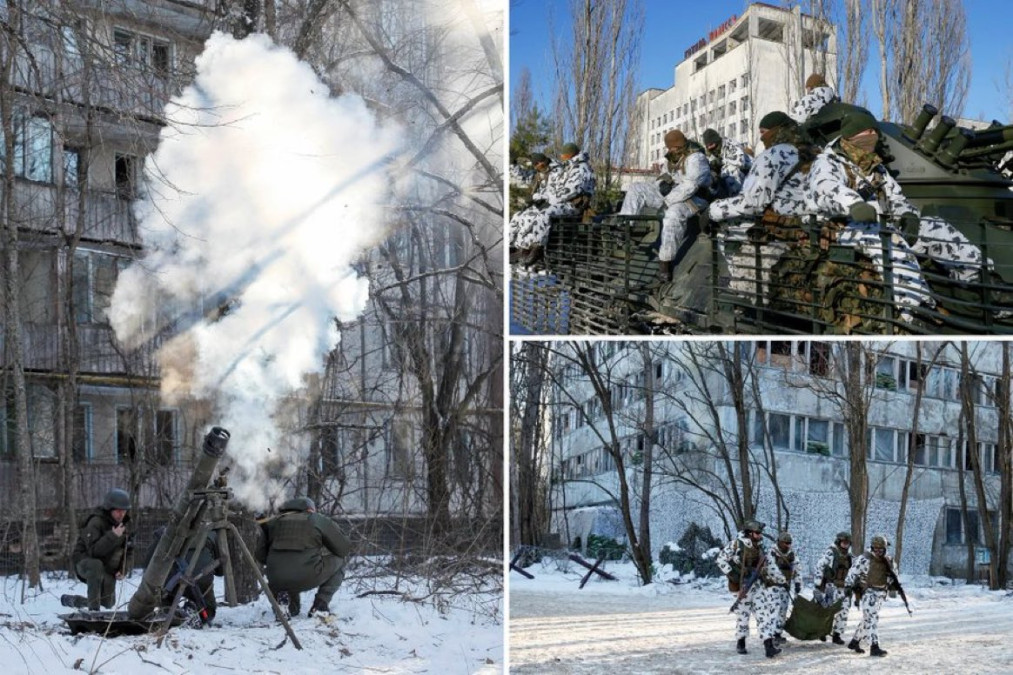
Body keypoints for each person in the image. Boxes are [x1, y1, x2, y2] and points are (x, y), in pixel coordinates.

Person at [807, 111, 937, 323]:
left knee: (935, 227)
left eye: (874, 131)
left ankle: (977, 284)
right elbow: (825, 189)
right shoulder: (828, 162)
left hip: (880, 223)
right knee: (887, 239)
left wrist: (909, 215)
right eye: (867, 131)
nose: (873, 135)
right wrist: (854, 204)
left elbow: (897, 198)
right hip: (844, 227)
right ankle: (915, 310)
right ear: (852, 135)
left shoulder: (877, 168)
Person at [707, 112, 816, 297]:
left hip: (784, 224)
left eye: (763, 132)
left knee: (726, 225)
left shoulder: (773, 154)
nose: (761, 137)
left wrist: (712, 210)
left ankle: (741, 285)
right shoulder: (811, 151)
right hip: (809, 222)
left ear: (775, 130)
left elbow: (752, 202)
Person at [256, 496, 352, 617]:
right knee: (340, 560)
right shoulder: (316, 519)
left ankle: (284, 602)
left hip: (276, 580)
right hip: (306, 575)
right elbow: (343, 549)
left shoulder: (273, 522)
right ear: (310, 509)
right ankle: (320, 605)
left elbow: (260, 555)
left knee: (293, 609)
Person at [509, 142, 595, 266]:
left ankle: (537, 248)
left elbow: (570, 191)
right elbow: (557, 188)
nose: (561, 157)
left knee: (544, 214)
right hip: (559, 202)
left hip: (573, 205)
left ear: (570, 155)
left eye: (564, 155)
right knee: (523, 215)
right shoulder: (570, 167)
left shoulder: (580, 169)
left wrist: (545, 200)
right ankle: (520, 247)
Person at [716, 520, 781, 657]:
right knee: (743, 616)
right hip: (741, 586)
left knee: (764, 614)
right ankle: (741, 642)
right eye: (757, 533)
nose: (759, 535)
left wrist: (781, 579)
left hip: (757, 585)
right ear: (749, 532)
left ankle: (768, 646)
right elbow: (720, 560)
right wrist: (734, 575)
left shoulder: (760, 547)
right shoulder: (736, 544)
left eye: (760, 533)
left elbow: (770, 565)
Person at [654, 129, 712, 283]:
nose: (671, 150)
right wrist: (662, 184)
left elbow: (691, 186)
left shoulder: (696, 158)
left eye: (673, 147)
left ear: (680, 145)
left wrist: (666, 202)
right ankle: (625, 227)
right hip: (676, 195)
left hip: (697, 198)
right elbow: (664, 175)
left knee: (673, 214)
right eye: (669, 148)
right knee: (638, 189)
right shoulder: (673, 159)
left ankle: (665, 263)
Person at [63, 488, 133, 611]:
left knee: (107, 604)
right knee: (96, 564)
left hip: (105, 568)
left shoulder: (123, 527)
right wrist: (113, 536)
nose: (121, 514)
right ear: (109, 509)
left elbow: (128, 552)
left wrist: (123, 569)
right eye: (118, 511)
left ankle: (75, 601)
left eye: (124, 511)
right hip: (85, 563)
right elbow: (94, 552)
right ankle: (93, 612)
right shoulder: (96, 522)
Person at [141, 524, 223, 623]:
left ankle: (170, 612)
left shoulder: (165, 534)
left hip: (172, 583)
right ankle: (199, 613)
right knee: (208, 609)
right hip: (202, 581)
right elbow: (220, 571)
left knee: (165, 599)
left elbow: (147, 566)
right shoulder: (209, 533)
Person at [844, 535, 897, 657]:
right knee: (873, 619)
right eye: (876, 549)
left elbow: (893, 574)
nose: (878, 552)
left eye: (881, 549)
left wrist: (892, 584)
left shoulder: (888, 560)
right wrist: (848, 586)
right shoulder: (864, 559)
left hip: (880, 594)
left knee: (867, 618)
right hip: (868, 592)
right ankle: (874, 646)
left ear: (885, 549)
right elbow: (853, 572)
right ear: (872, 547)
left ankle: (854, 641)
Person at [815, 531, 854, 645]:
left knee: (844, 611)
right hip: (831, 586)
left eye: (848, 543)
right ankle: (822, 631)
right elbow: (820, 566)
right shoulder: (831, 553)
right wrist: (818, 583)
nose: (846, 545)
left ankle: (837, 635)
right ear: (838, 542)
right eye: (844, 542)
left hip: (844, 587)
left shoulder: (850, 556)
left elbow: (853, 571)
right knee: (828, 610)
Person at [767, 531, 799, 647]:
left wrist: (798, 583)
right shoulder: (772, 553)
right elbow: (771, 570)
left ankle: (778, 633)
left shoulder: (792, 554)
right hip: (773, 587)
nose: (788, 545)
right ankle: (769, 636)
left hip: (786, 588)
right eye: (786, 543)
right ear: (780, 542)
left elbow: (796, 569)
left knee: (783, 611)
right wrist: (782, 580)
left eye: (789, 543)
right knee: (774, 611)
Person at [701, 127, 753, 198]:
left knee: (729, 171)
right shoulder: (711, 153)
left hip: (749, 171)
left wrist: (719, 162)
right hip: (733, 175)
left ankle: (737, 198)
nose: (710, 147)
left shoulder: (730, 144)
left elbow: (740, 161)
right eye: (708, 146)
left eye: (711, 144)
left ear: (717, 141)